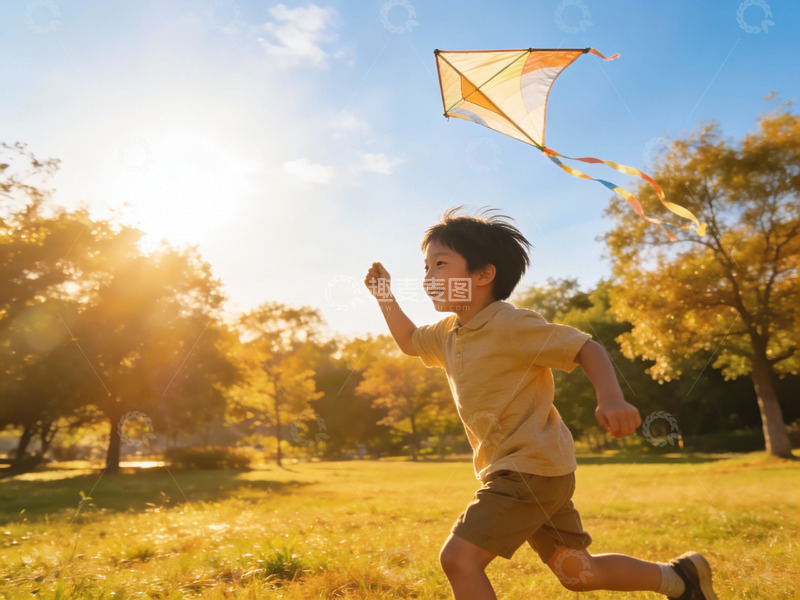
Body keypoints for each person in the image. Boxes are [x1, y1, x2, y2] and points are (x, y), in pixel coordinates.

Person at [364, 208, 717, 600]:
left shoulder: (511, 325)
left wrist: (611, 397)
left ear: (483, 275)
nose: (428, 277)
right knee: (578, 572)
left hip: (528, 468)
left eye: (440, 264)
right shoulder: (449, 333)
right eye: (426, 266)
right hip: (528, 470)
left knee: (459, 559)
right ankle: (681, 579)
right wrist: (384, 296)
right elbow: (410, 342)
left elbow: (586, 347)